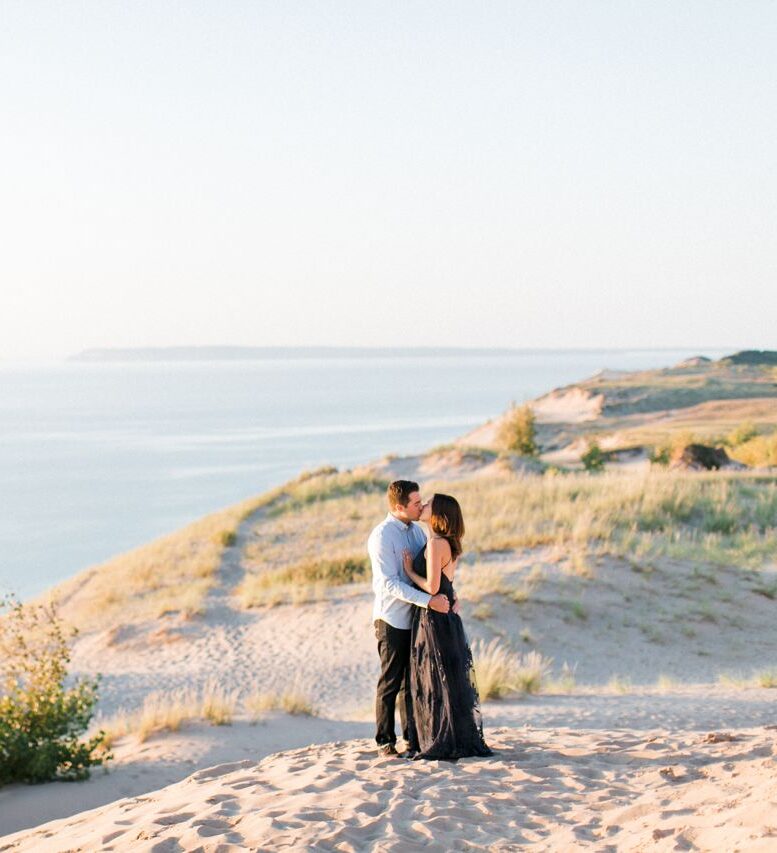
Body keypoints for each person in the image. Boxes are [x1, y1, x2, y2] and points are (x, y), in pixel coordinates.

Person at [402, 493, 492, 760]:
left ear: (438, 513)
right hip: (448, 615)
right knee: (449, 678)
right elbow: (447, 583)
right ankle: (455, 734)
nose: (424, 506)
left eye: (428, 504)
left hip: (433, 616)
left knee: (435, 676)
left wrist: (409, 571)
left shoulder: (435, 542)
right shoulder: (451, 542)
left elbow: (431, 587)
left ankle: (441, 737)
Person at [368, 480, 452, 757]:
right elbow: (388, 584)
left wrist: (450, 595)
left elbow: (431, 574)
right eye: (416, 503)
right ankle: (384, 741)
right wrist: (429, 600)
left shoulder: (417, 532)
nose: (421, 506)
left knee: (411, 683)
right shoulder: (382, 536)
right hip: (391, 619)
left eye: (420, 501)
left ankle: (411, 739)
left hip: (417, 619)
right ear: (398, 506)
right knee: (390, 682)